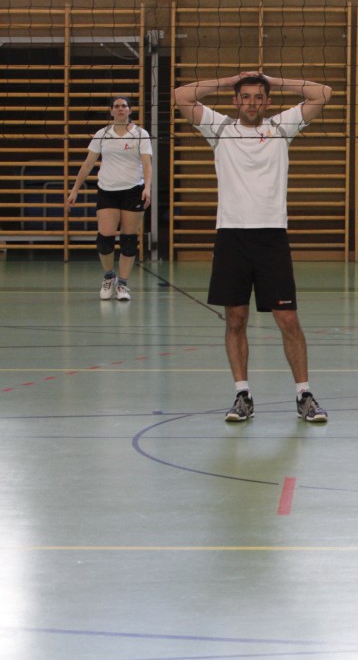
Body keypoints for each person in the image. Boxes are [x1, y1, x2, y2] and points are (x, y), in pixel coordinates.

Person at [173, 71, 331, 424]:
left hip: (271, 237)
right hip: (232, 236)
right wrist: (232, 78)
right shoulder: (219, 128)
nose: (252, 103)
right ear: (236, 100)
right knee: (235, 318)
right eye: (245, 96)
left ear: (267, 101)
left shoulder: (281, 127)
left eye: (259, 97)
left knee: (288, 320)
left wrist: (271, 79)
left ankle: (304, 394)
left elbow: (322, 93)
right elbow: (181, 96)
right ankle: (242, 395)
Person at [67, 96, 153, 301]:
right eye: (117, 106)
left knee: (129, 241)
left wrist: (147, 188)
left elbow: (147, 164)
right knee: (105, 240)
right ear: (111, 111)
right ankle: (109, 277)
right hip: (107, 192)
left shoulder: (140, 134)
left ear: (130, 110)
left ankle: (122, 284)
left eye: (124, 106)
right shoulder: (102, 134)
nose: (121, 109)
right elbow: (88, 164)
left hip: (133, 191)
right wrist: (74, 189)